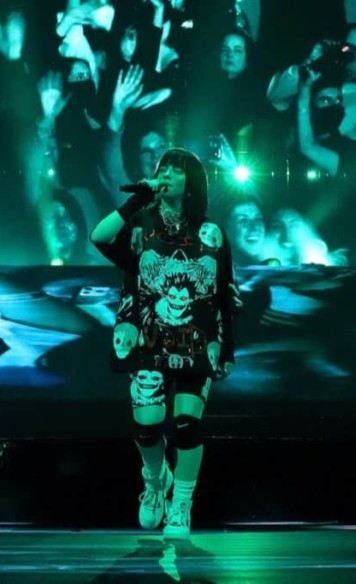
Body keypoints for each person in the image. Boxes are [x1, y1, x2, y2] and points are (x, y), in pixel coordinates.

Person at [89, 148, 239, 539]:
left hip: (196, 339)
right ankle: (156, 480)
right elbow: (99, 236)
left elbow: (225, 293)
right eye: (163, 168)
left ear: (192, 183)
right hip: (148, 336)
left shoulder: (211, 233)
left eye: (176, 170)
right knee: (147, 427)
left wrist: (228, 348)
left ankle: (182, 506)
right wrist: (136, 201)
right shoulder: (141, 224)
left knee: (188, 424)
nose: (167, 174)